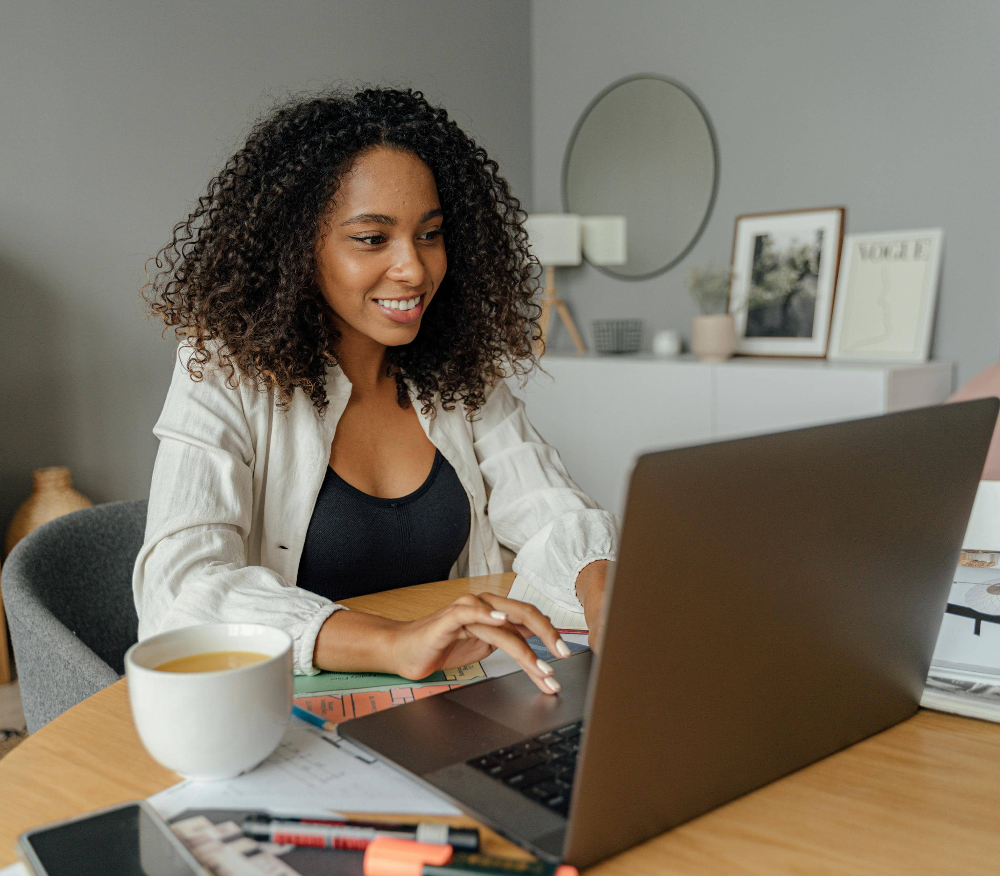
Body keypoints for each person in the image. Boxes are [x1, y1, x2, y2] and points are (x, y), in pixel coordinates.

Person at [134, 87, 620, 695]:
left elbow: (549, 507)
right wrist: (394, 643)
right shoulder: (225, 368)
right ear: (298, 248)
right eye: (371, 239)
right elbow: (179, 588)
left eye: (430, 234)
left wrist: (609, 607)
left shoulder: (456, 367)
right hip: (283, 712)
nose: (414, 269)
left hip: (454, 694)